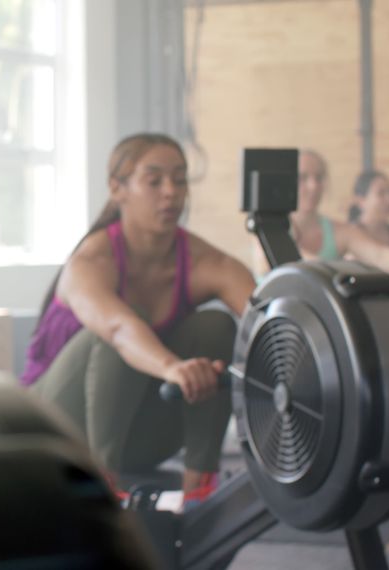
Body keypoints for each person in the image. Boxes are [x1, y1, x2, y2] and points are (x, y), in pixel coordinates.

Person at [21, 133, 256, 507]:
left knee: (216, 327)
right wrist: (173, 368)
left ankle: (199, 491)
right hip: (57, 429)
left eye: (179, 180)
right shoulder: (92, 260)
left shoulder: (203, 262)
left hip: (142, 435)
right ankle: (101, 492)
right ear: (118, 189)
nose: (171, 192)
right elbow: (119, 328)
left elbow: (272, 317)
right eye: (154, 180)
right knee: (125, 329)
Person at [256, 150, 389, 276]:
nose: (313, 186)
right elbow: (299, 260)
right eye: (303, 178)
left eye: (319, 178)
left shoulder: (341, 231)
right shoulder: (266, 231)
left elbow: (379, 255)